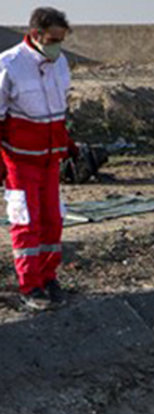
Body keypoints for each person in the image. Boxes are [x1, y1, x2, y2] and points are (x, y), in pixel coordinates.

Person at [0, 7, 75, 311]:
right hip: (20, 161)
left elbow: (59, 111)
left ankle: (48, 277)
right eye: (53, 39)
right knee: (26, 221)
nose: (57, 45)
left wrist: (68, 144)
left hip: (49, 158)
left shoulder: (60, 63)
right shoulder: (10, 65)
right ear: (36, 35)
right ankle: (30, 285)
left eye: (61, 39)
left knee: (52, 220)